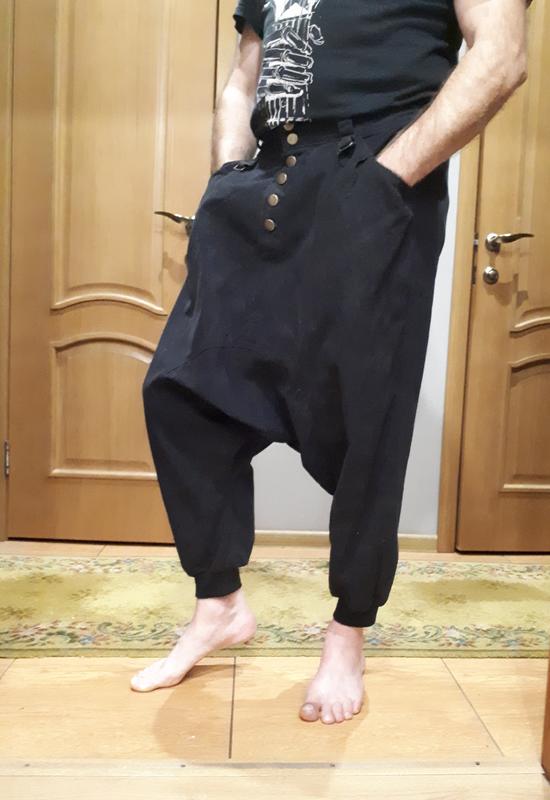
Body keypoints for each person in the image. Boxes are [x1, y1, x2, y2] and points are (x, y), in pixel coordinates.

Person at [130, 0, 531, 724]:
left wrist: (389, 176)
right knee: (180, 388)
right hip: (262, 175)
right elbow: (242, 81)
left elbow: (500, 55)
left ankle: (348, 632)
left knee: (366, 419)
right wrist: (227, 175)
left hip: (376, 171)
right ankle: (219, 604)